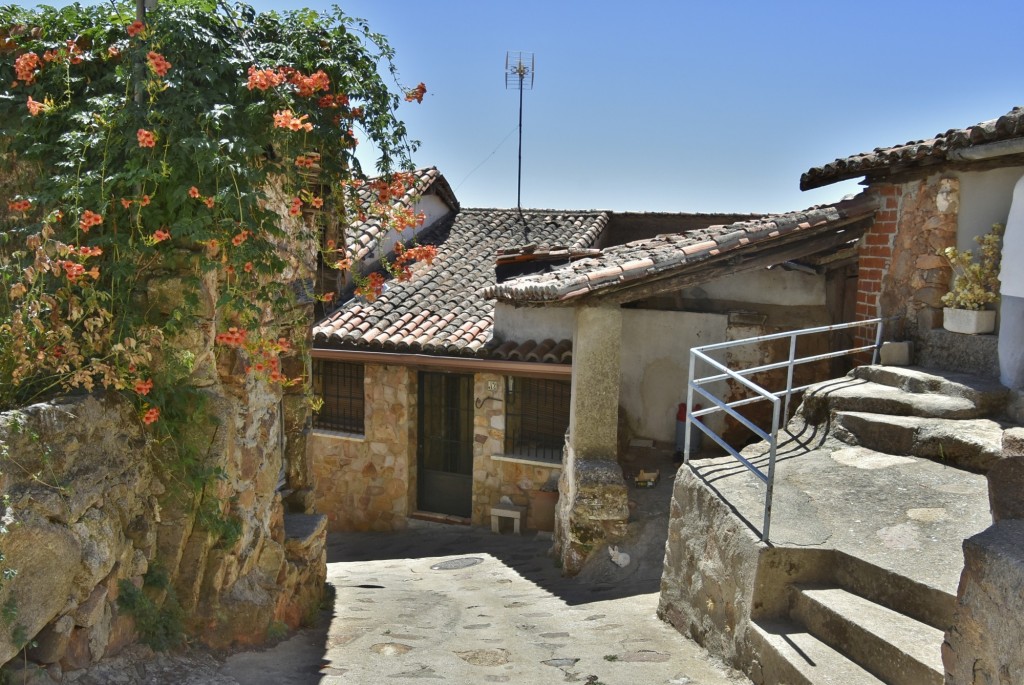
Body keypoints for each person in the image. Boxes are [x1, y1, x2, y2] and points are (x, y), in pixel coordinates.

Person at [999, 173, 1024, 390]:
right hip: (1015, 276)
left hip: (1013, 276)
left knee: (1012, 339)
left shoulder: (1021, 182)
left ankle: (1010, 389)